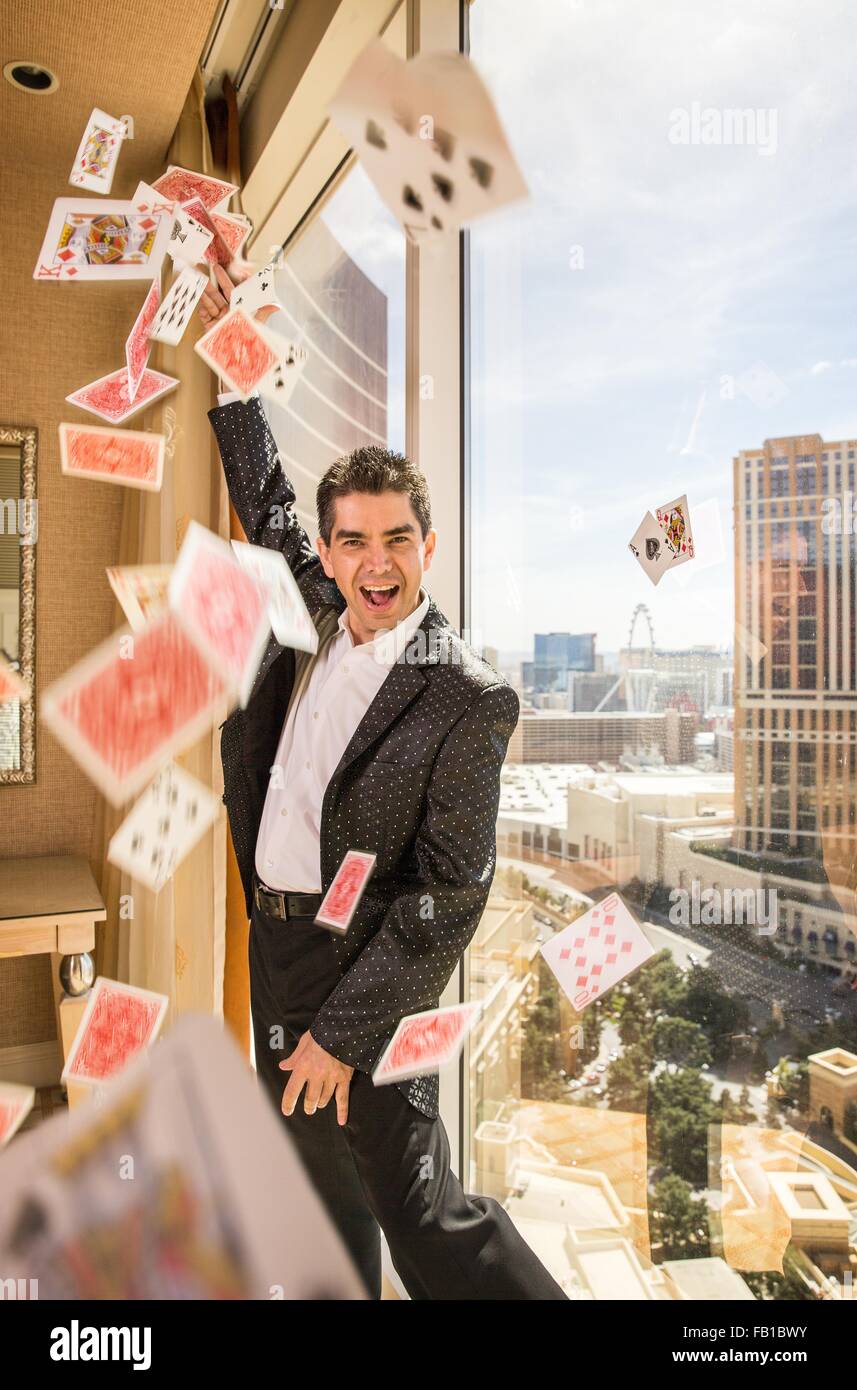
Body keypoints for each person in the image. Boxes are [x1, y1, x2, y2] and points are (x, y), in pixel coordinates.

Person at [202, 266, 566, 1300]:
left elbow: (448, 894)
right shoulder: (314, 603)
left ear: (427, 545)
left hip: (361, 970)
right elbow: (266, 499)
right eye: (350, 538)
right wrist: (233, 371)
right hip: (273, 939)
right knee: (320, 1183)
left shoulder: (466, 694)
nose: (373, 562)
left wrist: (340, 1031)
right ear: (327, 548)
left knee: (419, 1206)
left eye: (395, 538)